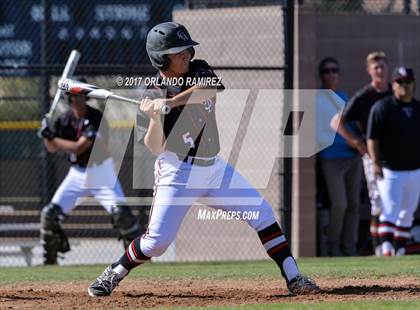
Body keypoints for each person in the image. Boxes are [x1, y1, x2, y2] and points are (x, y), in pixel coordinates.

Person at [87, 22, 320, 297]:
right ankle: (113, 273)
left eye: (187, 48)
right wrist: (154, 117)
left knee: (263, 214)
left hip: (214, 167)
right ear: (161, 57)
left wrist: (171, 102)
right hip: (178, 172)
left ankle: (294, 278)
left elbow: (208, 90)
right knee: (157, 244)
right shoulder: (152, 95)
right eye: (178, 51)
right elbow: (155, 147)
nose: (186, 53)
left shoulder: (199, 70)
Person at [38, 80, 141, 265]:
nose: (76, 99)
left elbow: (79, 147)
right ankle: (50, 262)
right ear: (68, 98)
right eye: (73, 96)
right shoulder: (64, 120)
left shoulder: (96, 117)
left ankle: (137, 260)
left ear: (86, 98)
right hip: (77, 174)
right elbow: (52, 148)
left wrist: (52, 137)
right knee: (49, 215)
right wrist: (46, 134)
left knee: (122, 215)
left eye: (80, 96)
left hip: (101, 173)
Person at [331, 52, 392, 256]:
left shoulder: (394, 92)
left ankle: (393, 248)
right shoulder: (364, 96)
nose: (380, 70)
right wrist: (357, 142)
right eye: (376, 67)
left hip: (396, 156)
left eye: (383, 66)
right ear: (369, 71)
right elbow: (336, 122)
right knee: (378, 201)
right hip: (373, 155)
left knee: (396, 203)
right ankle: (379, 250)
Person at [367, 67, 420, 256]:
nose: (404, 85)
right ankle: (387, 250)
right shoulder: (383, 107)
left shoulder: (417, 108)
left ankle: (400, 250)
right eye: (400, 82)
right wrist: (375, 162)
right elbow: (372, 138)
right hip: (390, 169)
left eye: (408, 81)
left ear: (413, 84)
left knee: (407, 213)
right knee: (390, 209)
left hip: (415, 169)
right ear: (393, 85)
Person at [316, 57, 363, 256]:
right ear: (321, 75)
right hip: (331, 157)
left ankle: (349, 248)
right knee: (340, 204)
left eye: (335, 70)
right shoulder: (318, 98)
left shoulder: (344, 96)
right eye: (327, 71)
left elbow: (353, 124)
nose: (331, 74)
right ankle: (332, 246)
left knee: (354, 204)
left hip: (351, 157)